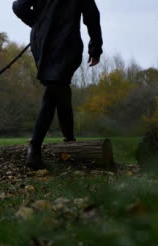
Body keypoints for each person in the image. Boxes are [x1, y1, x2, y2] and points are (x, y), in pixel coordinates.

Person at [12, 0, 103, 169]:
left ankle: (69, 140)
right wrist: (95, 48)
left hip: (46, 42)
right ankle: (35, 148)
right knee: (56, 88)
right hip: (64, 42)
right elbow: (92, 15)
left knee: (59, 88)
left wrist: (39, 25)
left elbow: (19, 7)